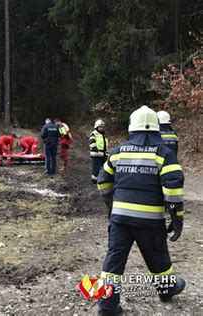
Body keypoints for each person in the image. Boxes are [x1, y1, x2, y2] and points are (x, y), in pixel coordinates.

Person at [96, 105, 185, 315]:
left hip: (120, 220)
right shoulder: (164, 154)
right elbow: (173, 190)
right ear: (157, 129)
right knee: (158, 257)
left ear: (131, 128)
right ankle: (167, 290)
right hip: (150, 221)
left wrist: (112, 206)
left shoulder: (117, 152)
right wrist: (177, 217)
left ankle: (107, 306)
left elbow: (102, 182)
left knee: (113, 260)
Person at [90, 119, 109, 184]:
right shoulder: (94, 134)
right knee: (96, 169)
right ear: (96, 127)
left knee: (106, 167)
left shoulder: (103, 134)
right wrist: (97, 151)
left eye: (103, 127)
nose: (102, 128)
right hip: (96, 154)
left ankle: (104, 180)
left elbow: (104, 145)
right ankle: (94, 182)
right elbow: (92, 144)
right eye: (100, 127)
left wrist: (106, 153)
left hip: (103, 154)